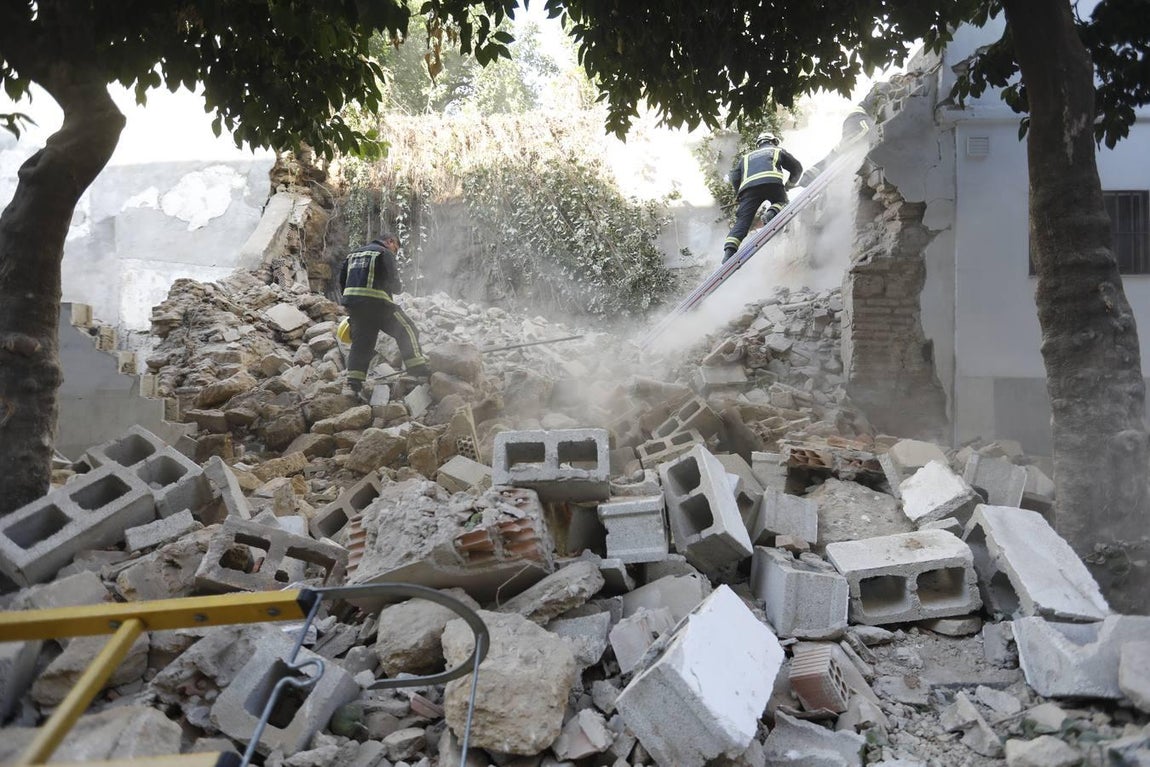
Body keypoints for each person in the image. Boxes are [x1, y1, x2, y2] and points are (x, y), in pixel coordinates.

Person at [339, 232, 430, 396]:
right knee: (406, 329)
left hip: (355, 306)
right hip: (378, 304)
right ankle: (418, 370)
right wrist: (396, 288)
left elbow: (342, 281)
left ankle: (353, 384)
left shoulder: (352, 255)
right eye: (396, 248)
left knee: (362, 344)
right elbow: (394, 282)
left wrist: (350, 303)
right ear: (390, 241)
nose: (395, 252)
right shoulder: (384, 253)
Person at [722, 132, 803, 264]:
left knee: (743, 221)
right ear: (773, 141)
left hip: (748, 190)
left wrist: (739, 194)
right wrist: (788, 185)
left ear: (758, 143)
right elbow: (797, 168)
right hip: (772, 183)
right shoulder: (777, 150)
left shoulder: (745, 157)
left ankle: (729, 252)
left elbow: (734, 177)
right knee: (782, 202)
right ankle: (771, 213)